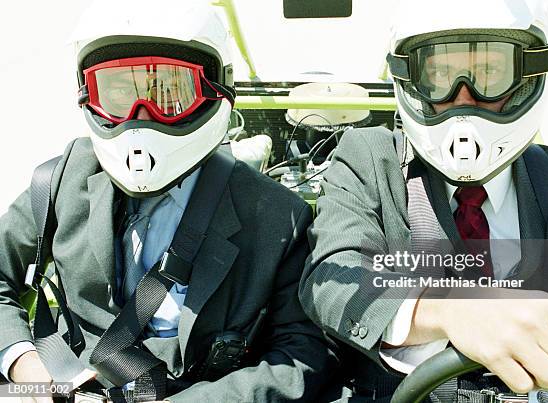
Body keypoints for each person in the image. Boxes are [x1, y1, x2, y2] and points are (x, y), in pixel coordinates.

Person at [0, 1, 336, 402]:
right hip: (67, 384)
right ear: (90, 94)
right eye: (120, 92)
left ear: (213, 91)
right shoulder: (62, 179)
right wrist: (27, 367)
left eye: (169, 91)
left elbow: (305, 356)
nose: (143, 114)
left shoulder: (278, 216)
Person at [299, 0, 548, 401]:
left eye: (489, 73)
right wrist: (453, 311)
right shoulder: (370, 160)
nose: (463, 98)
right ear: (411, 79)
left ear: (527, 78)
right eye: (440, 74)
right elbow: (334, 276)